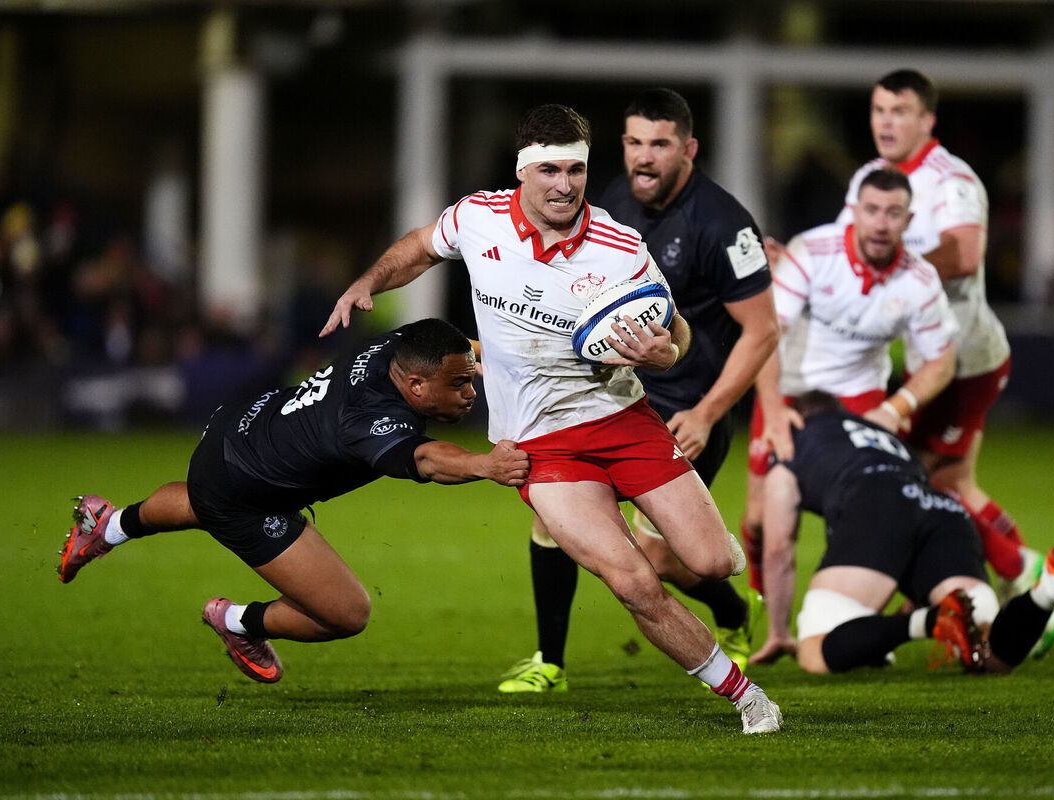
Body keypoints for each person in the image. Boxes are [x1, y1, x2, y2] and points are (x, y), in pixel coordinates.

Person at [320, 103, 782, 734]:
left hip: (622, 419)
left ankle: (706, 558)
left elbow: (676, 332)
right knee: (632, 582)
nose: (564, 185)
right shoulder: (480, 219)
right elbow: (423, 246)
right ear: (523, 172)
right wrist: (368, 281)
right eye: (550, 171)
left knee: (707, 563)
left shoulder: (620, 245)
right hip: (541, 447)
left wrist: (664, 353)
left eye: (575, 170)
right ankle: (746, 697)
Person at [58, 318, 531, 683]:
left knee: (201, 499)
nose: (472, 393)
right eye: (459, 385)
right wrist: (484, 464)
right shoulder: (367, 421)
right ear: (415, 386)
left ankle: (108, 524)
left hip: (239, 426)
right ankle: (238, 622)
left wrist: (508, 356)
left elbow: (450, 347)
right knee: (347, 613)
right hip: (245, 491)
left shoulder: (400, 345)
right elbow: (426, 459)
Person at [497, 88, 779, 693]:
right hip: (609, 398)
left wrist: (707, 412)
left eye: (660, 144)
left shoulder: (722, 223)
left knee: (676, 557)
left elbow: (763, 330)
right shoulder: (611, 202)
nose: (644, 158)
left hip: (686, 409)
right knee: (554, 522)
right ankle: (551, 662)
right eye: (633, 143)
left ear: (689, 149)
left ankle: (730, 609)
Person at [833, 69, 1045, 613]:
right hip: (922, 362)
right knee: (947, 479)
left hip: (965, 359)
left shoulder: (951, 180)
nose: (886, 121)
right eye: (879, 110)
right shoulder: (871, 180)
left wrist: (890, 269)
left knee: (927, 478)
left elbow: (965, 253)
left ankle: (1033, 582)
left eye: (899, 111)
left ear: (927, 120)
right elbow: (840, 252)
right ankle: (1016, 584)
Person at [742, 168, 959, 660]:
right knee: (758, 522)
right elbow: (764, 335)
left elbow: (942, 359)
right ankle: (766, 619)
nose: (882, 223)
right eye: (872, 210)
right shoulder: (812, 253)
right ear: (854, 209)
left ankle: (862, 625)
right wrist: (774, 412)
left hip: (861, 398)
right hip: (791, 394)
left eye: (893, 213)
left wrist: (897, 407)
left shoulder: (920, 280)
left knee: (870, 510)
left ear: (909, 219)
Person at [753, 389, 1054, 674]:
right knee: (989, 654)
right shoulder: (882, 435)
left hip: (875, 504)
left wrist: (779, 632)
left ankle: (931, 620)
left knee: (814, 650)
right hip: (942, 508)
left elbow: (778, 546)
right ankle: (1047, 590)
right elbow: (903, 535)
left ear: (796, 417)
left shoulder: (791, 439)